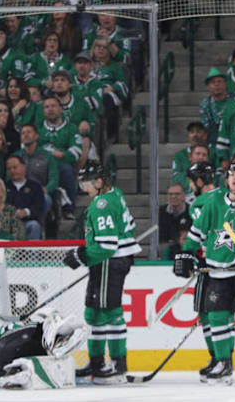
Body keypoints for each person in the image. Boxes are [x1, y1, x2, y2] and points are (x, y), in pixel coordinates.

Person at [176, 162, 235, 384]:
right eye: (231, 175)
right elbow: (195, 234)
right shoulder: (213, 203)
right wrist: (186, 254)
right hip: (217, 271)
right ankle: (223, 363)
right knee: (217, 317)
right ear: (227, 179)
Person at [65, 161, 141, 384]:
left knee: (109, 312)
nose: (84, 187)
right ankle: (97, 362)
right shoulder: (114, 194)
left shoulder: (102, 204)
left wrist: (81, 256)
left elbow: (107, 246)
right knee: (94, 312)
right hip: (109, 260)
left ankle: (118, 364)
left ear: (99, 182)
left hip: (109, 260)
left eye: (86, 183)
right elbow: (131, 225)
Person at [5, 156, 46, 240]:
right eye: (9, 169)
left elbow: (40, 207)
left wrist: (26, 212)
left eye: (15, 167)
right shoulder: (4, 186)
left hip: (28, 222)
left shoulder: (35, 186)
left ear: (23, 167)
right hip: (8, 224)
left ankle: (32, 253)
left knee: (34, 225)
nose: (12, 171)